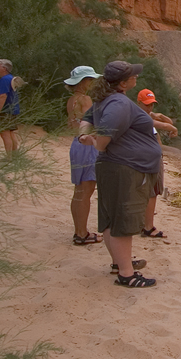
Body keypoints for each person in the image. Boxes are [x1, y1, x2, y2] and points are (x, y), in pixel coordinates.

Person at [78, 61, 162, 288]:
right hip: (126, 168)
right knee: (123, 219)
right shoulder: (118, 103)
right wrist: (94, 141)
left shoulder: (106, 100)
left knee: (111, 218)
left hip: (117, 166)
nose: (137, 76)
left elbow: (86, 119)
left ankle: (119, 263)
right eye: (133, 75)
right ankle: (126, 274)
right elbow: (103, 143)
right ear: (124, 83)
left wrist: (83, 136)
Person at [64, 65, 102, 245]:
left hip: (76, 144)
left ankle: (79, 230)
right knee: (86, 190)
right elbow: (94, 123)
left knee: (79, 190)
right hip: (87, 145)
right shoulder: (86, 99)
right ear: (84, 81)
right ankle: (82, 233)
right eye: (90, 80)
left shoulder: (71, 100)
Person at [137, 88, 177, 238]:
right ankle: (148, 227)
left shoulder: (145, 115)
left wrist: (158, 114)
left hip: (152, 157)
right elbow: (166, 126)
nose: (150, 108)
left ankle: (144, 224)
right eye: (147, 104)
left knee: (150, 191)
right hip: (149, 159)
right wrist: (171, 127)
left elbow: (167, 121)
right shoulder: (141, 117)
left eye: (152, 104)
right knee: (152, 191)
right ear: (139, 103)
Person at [0, 58, 20, 157]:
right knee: (11, 133)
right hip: (12, 110)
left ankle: (9, 157)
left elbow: (3, 96)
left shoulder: (4, 79)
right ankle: (14, 155)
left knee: (5, 133)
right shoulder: (10, 78)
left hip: (6, 111)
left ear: (4, 68)